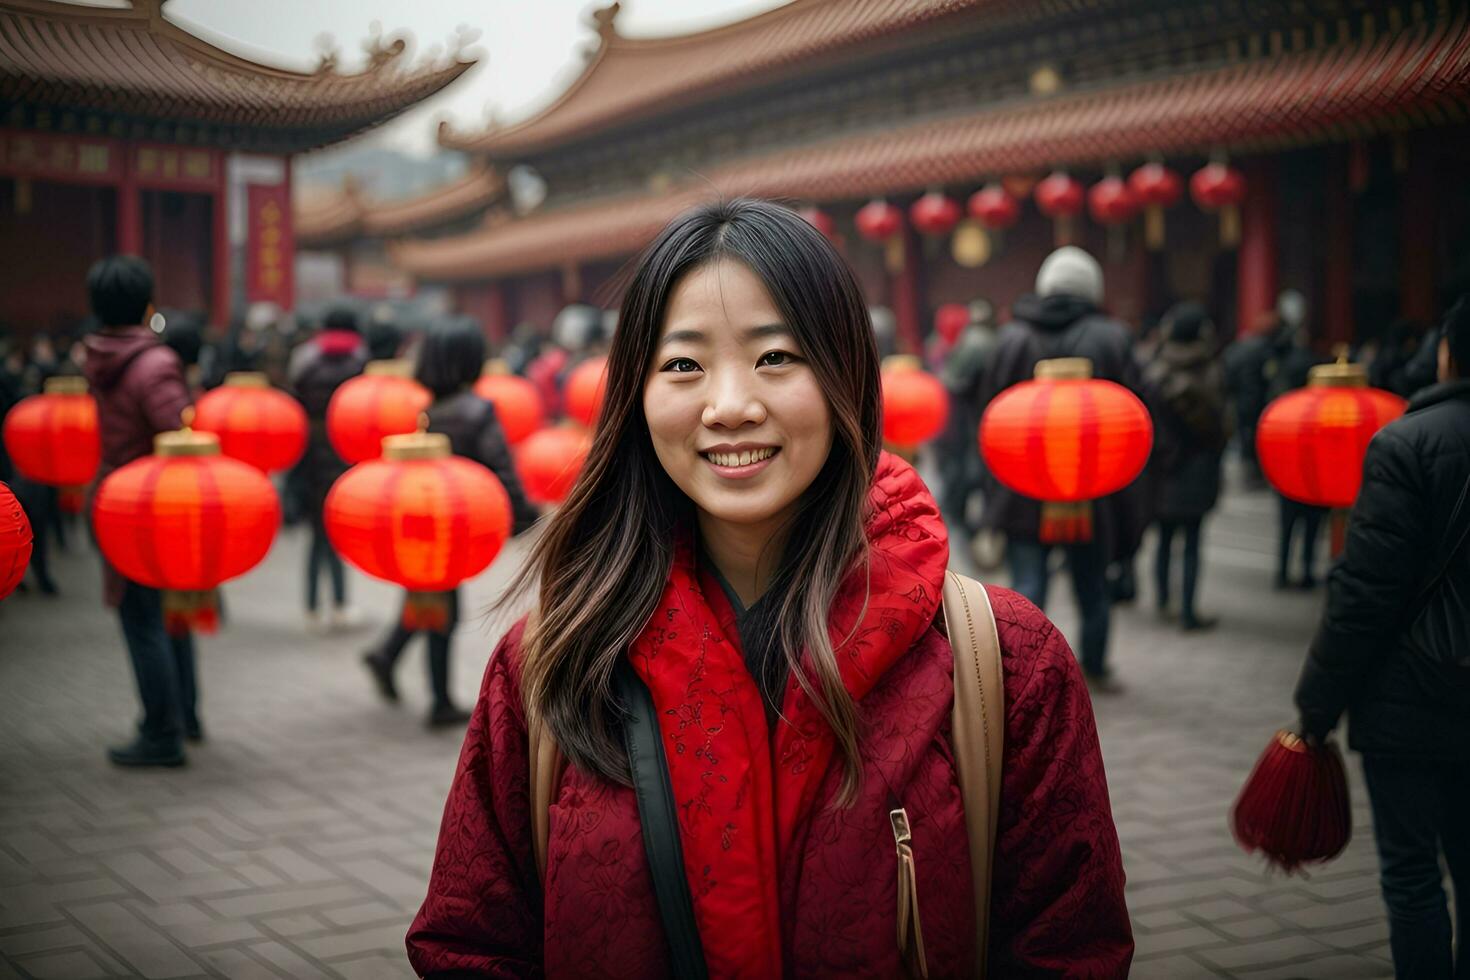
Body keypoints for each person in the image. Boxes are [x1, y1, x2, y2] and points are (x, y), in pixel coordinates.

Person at [406, 199, 1132, 976]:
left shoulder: (1006, 664)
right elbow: (471, 946)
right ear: (636, 396)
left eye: (776, 357)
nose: (729, 407)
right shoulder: (550, 661)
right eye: (683, 364)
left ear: (846, 375)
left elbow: (1069, 951)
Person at [1295, 295, 1470, 980]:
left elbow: (1365, 593)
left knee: (1412, 874)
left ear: (1449, 351)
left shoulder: (1408, 442)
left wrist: (1316, 707)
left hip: (1412, 695)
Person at [362, 316, 540, 728]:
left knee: (428, 597)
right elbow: (502, 469)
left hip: (421, 519)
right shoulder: (478, 410)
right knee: (442, 609)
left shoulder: (426, 410)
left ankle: (387, 654)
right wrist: (524, 517)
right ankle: (437, 698)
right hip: (458, 522)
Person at [977, 245, 1141, 690]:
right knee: (1093, 585)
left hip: (1022, 487)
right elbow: (1138, 418)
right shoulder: (1112, 337)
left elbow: (988, 415)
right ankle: (1096, 667)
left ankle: (1025, 675)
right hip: (1093, 484)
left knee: (1027, 586)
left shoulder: (1011, 338)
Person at [80, 256, 197, 767]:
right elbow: (179, 435)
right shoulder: (156, 363)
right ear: (146, 303)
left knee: (144, 613)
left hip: (115, 496)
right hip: (152, 503)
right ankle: (168, 728)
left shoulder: (96, 356)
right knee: (153, 617)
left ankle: (174, 719)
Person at [1142, 302, 1229, 631]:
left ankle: (1163, 599)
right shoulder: (1208, 368)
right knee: (1192, 541)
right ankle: (1188, 611)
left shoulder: (1155, 366)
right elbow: (1219, 423)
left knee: (1163, 537)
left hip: (1163, 466)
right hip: (1197, 465)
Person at [288, 307, 368, 632]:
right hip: (346, 460)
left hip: (311, 461)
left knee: (317, 536)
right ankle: (339, 604)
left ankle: (310, 606)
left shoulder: (305, 364)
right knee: (337, 537)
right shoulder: (361, 365)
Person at [1264, 291, 1329, 589]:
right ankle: (1305, 571)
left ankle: (1282, 570)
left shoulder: (1280, 386)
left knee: (1287, 521)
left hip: (1287, 453)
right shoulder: (1318, 375)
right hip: (1314, 455)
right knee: (1312, 521)